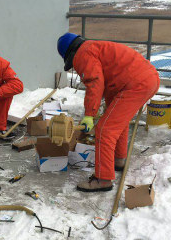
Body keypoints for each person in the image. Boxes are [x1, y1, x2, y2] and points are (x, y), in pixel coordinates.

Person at [57, 32, 160, 192]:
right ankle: (119, 160)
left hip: (135, 84)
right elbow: (107, 77)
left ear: (70, 53)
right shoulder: (92, 47)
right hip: (141, 80)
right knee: (116, 122)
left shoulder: (82, 54)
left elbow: (94, 82)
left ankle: (103, 179)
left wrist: (89, 115)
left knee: (105, 129)